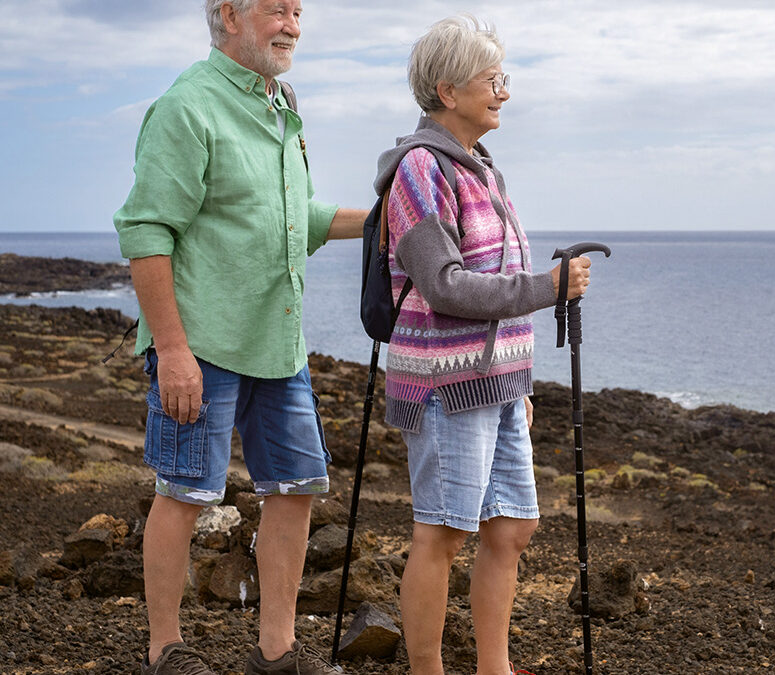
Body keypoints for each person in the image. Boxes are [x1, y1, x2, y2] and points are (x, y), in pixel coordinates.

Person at [113, 1, 365, 674]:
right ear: (227, 14)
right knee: (185, 492)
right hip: (201, 345)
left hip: (277, 346)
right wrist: (171, 349)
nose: (292, 23)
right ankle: (164, 650)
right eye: (276, 8)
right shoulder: (186, 107)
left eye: (297, 11)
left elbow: (293, 218)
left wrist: (383, 218)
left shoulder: (279, 105)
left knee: (297, 487)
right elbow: (146, 231)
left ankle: (276, 652)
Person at [373, 15, 592, 675]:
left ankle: (492, 668)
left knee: (510, 527)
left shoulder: (481, 168)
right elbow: (444, 285)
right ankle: (426, 669)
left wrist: (516, 385)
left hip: (495, 382)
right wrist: (547, 287)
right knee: (441, 531)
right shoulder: (418, 169)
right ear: (447, 89)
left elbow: (487, 280)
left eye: (504, 78)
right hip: (445, 381)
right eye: (490, 79)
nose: (503, 91)